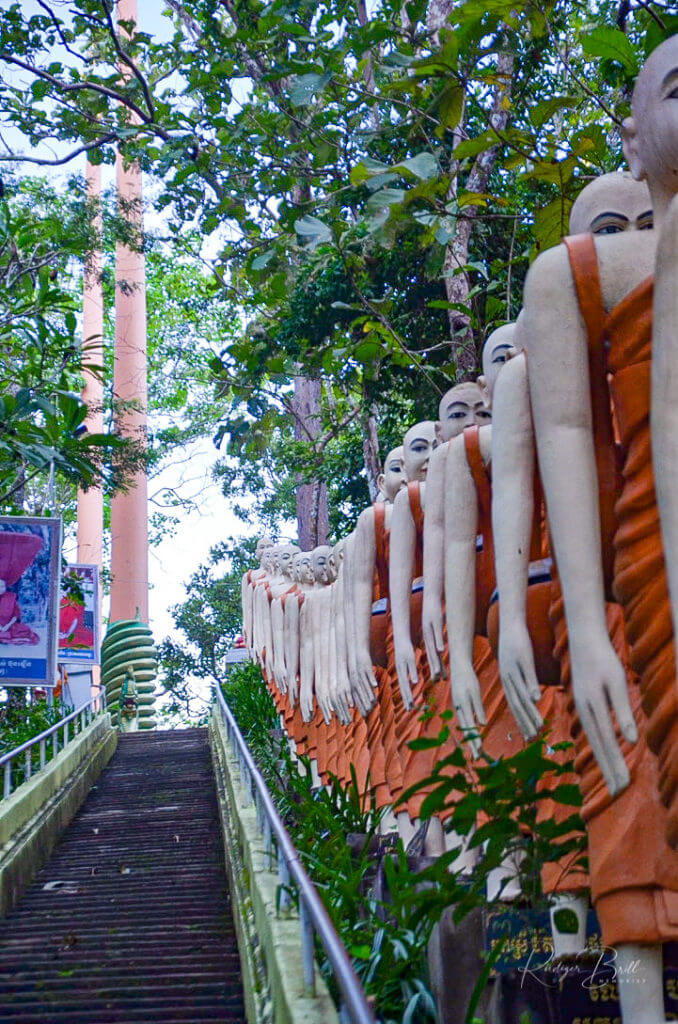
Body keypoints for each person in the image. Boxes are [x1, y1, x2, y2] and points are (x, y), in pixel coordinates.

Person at [522, 38, 678, 1022]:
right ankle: (619, 994)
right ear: (631, 132)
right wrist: (580, 623)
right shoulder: (581, 274)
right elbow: (569, 436)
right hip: (644, 574)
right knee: (622, 792)